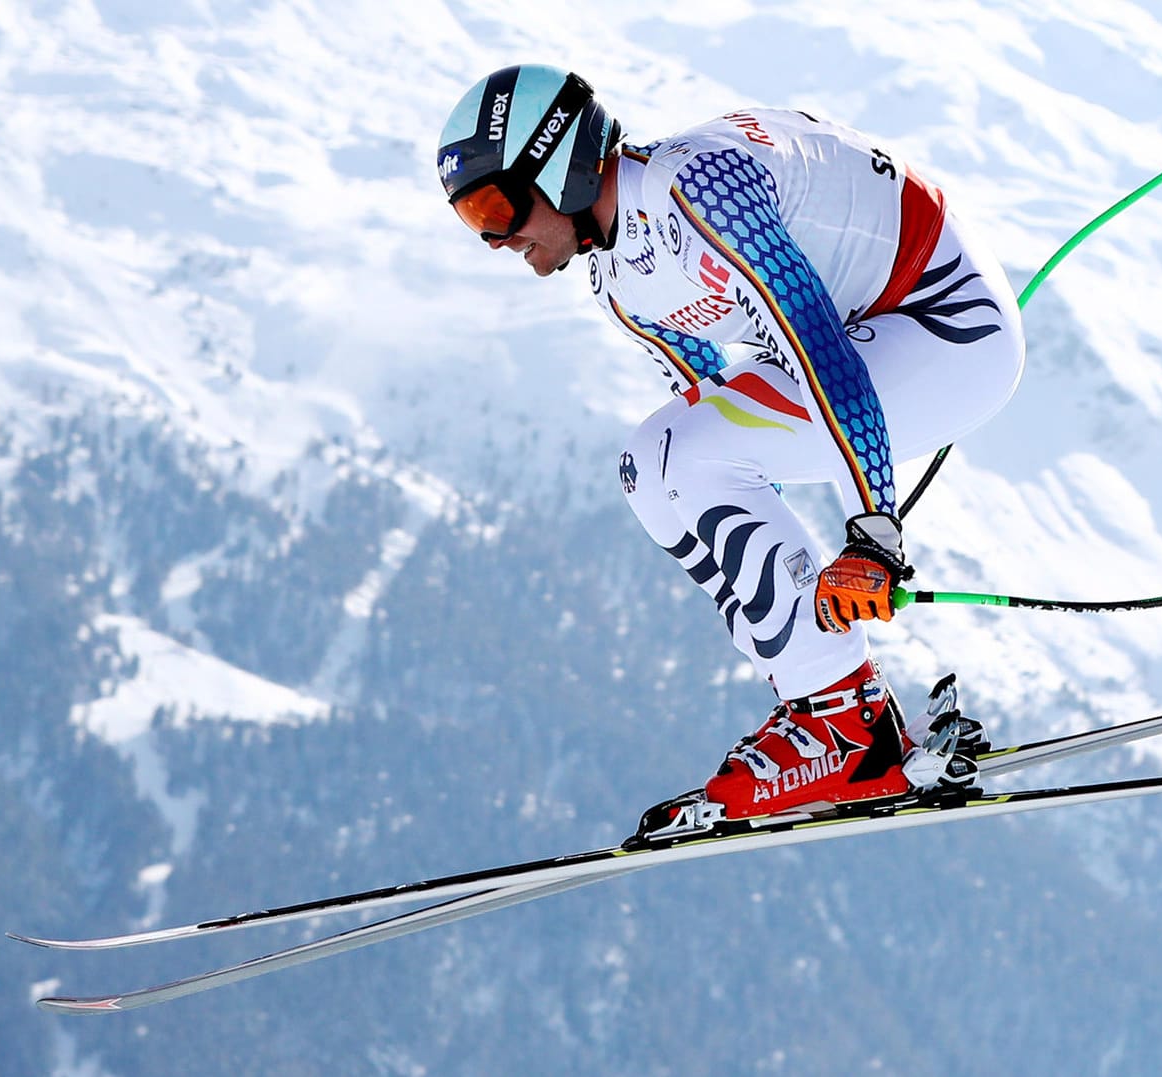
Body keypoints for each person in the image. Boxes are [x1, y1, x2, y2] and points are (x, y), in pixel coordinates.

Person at [436, 65, 1024, 829]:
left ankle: (844, 725)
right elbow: (729, 452)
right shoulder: (621, 283)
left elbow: (815, 349)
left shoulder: (698, 190)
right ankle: (833, 709)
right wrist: (809, 602)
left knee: (677, 451)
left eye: (494, 206)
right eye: (469, 219)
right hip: (876, 340)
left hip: (946, 320)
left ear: (559, 163)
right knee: (651, 468)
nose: (493, 239)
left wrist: (871, 535)